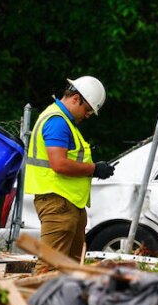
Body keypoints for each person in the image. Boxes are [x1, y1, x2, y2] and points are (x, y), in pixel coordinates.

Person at [25, 76, 115, 272]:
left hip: (68, 202)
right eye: (88, 109)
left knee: (72, 267)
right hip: (58, 202)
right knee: (48, 267)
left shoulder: (64, 121)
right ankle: (32, 301)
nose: (89, 115)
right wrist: (95, 169)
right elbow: (59, 164)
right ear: (76, 98)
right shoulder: (58, 122)